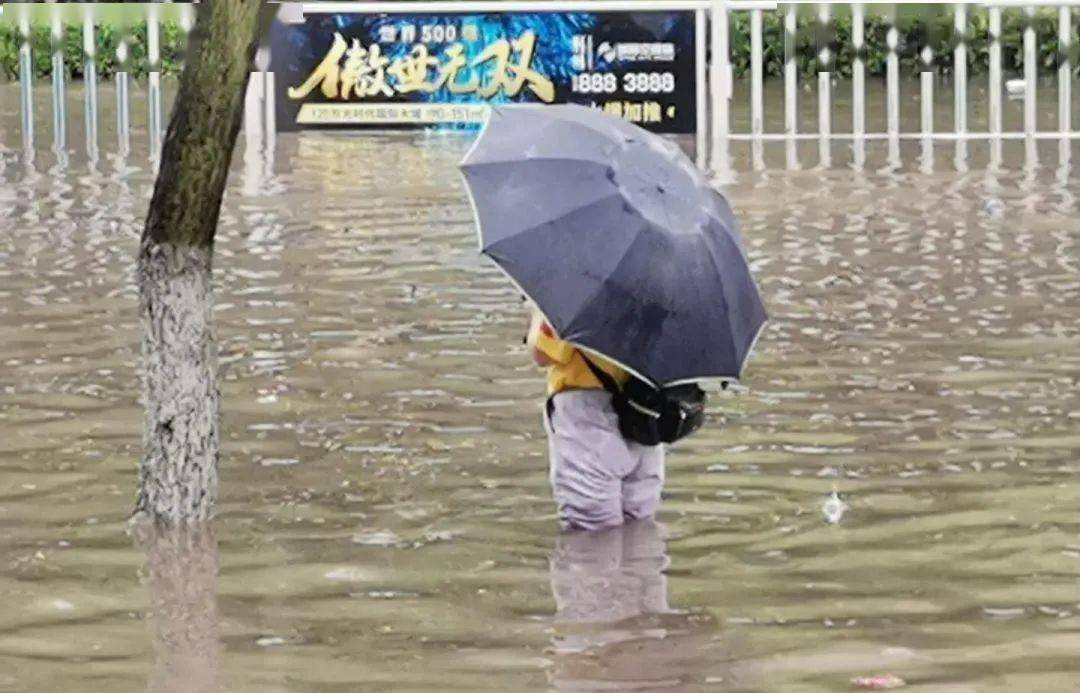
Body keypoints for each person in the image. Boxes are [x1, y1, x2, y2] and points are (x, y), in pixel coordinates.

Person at [526, 304, 665, 531]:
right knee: (640, 528)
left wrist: (536, 312)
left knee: (591, 535)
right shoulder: (662, 287)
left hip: (585, 413)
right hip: (646, 412)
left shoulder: (583, 284)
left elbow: (543, 353)